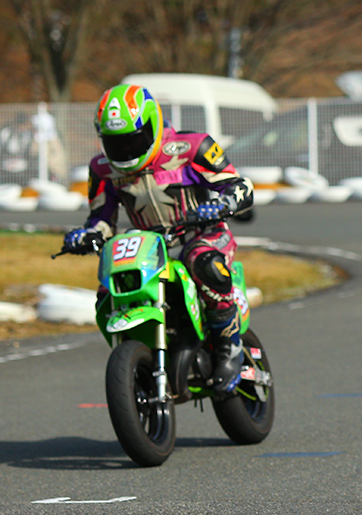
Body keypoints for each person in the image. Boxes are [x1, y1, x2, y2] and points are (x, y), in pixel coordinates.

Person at [61, 83, 254, 392]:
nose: (126, 150)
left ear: (152, 124)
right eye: (116, 143)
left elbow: (238, 185)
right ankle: (138, 354)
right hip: (150, 245)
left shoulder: (193, 147)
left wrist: (221, 204)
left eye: (134, 139)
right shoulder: (101, 169)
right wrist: (88, 235)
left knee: (205, 263)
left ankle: (228, 347)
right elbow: (101, 219)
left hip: (202, 234)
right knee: (108, 290)